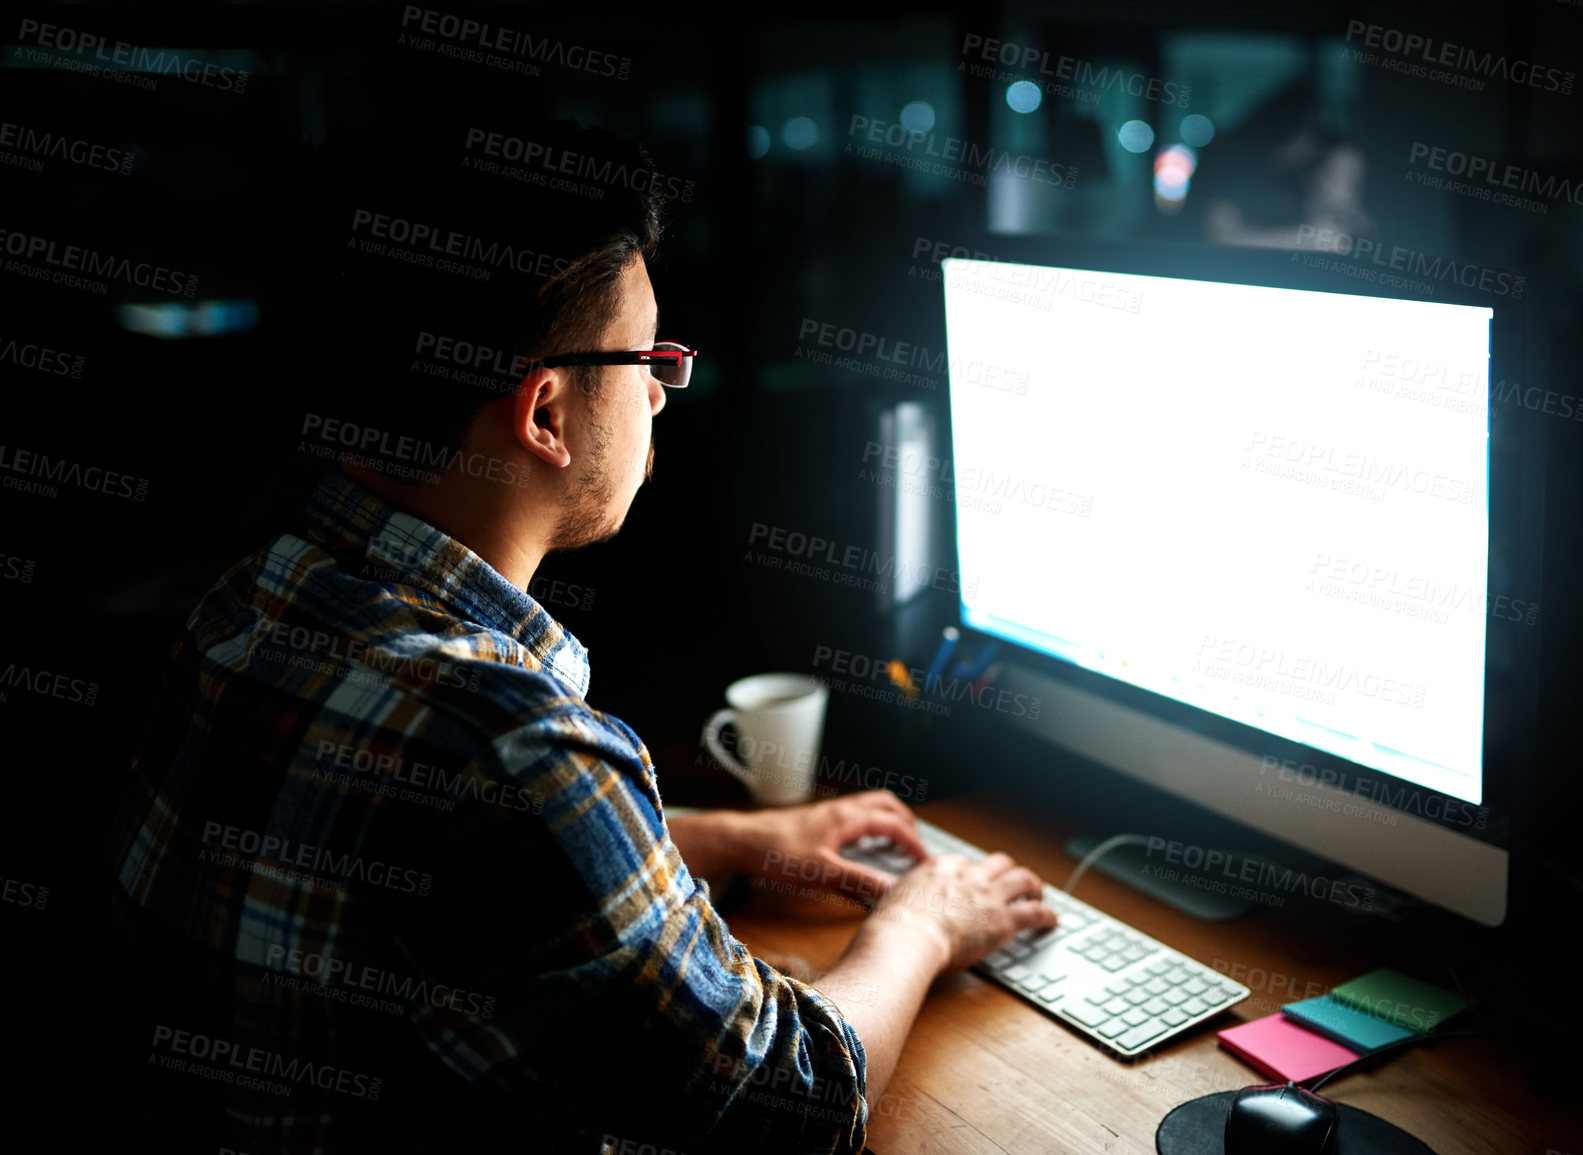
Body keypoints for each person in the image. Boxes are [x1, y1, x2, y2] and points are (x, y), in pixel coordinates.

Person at [109, 116, 1057, 1153]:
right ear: (547, 413)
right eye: (645, 355)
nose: (659, 390)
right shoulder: (512, 741)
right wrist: (922, 923)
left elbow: (436, 872)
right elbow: (790, 1108)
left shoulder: (252, 596)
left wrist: (725, 839)